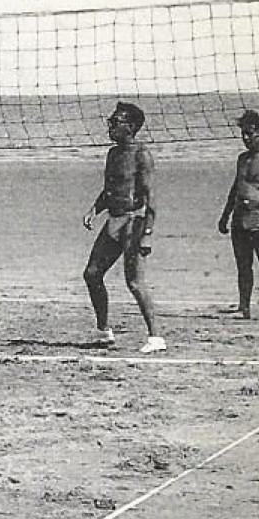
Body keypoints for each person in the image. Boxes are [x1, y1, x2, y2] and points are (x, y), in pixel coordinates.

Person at [82, 102, 164, 353]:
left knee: (135, 282)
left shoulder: (142, 155)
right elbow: (110, 190)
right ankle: (104, 330)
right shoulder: (113, 154)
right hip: (114, 220)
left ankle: (156, 337)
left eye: (115, 122)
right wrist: (94, 210)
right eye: (111, 121)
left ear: (130, 127)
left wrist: (147, 235)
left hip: (134, 221)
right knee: (92, 274)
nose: (110, 126)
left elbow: (151, 199)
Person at [218, 109, 259, 322]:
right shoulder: (242, 159)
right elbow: (236, 188)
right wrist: (225, 215)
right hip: (240, 218)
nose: (246, 138)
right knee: (243, 266)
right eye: (244, 133)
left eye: (250, 133)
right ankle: (244, 307)